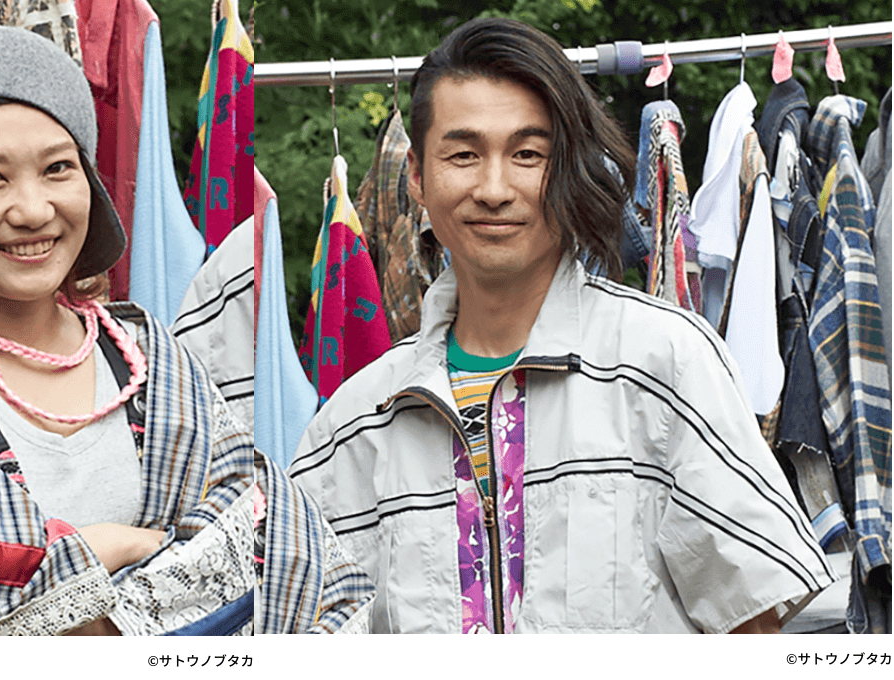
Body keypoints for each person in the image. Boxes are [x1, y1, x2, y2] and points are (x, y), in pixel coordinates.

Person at [0, 26, 371, 635]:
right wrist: (104, 549)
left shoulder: (149, 358)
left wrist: (88, 610)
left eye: (57, 169)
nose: (32, 211)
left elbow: (259, 527)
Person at [286, 17, 834, 634]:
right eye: (463, 155)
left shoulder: (665, 367)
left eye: (528, 155)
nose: (494, 189)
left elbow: (751, 627)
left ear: (569, 167)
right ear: (417, 175)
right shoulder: (350, 429)